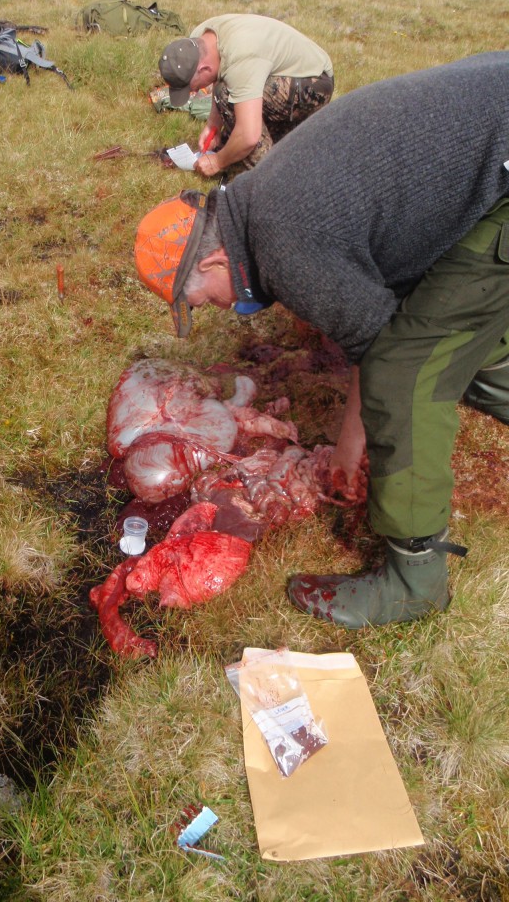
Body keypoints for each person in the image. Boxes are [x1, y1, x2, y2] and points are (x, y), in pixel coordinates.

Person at [134, 51, 509, 629]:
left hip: (500, 164)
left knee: (407, 370)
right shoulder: (261, 200)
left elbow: (383, 349)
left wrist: (350, 448)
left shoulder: (285, 244)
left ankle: (415, 582)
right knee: (448, 328)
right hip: (493, 120)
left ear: (213, 257)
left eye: (200, 297)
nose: (211, 309)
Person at [158, 14, 333, 178]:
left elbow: (249, 135)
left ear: (204, 69)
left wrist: (217, 162)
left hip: (315, 82)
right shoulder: (199, 39)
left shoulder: (241, 58)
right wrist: (213, 124)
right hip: (285, 71)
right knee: (230, 97)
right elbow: (219, 74)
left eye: (192, 87)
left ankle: (268, 173)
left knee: (228, 97)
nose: (194, 92)